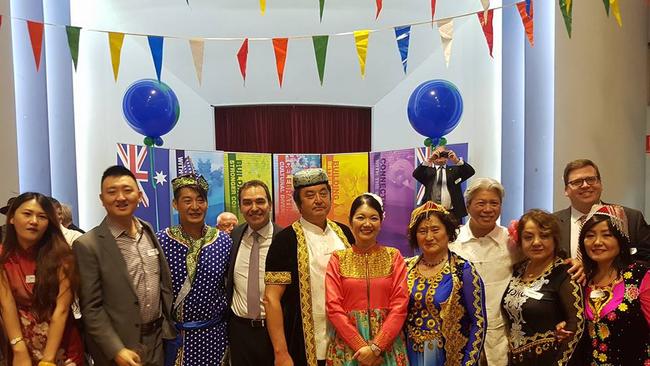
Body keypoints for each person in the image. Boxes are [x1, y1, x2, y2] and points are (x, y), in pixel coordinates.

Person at [73, 165, 176, 366]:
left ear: (138, 195)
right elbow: (91, 308)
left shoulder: (147, 230)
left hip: (156, 340)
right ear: (102, 199)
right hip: (120, 347)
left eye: (127, 190)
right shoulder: (88, 245)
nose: (120, 197)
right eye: (112, 192)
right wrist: (116, 350)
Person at [263, 168, 354, 366]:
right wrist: (281, 352)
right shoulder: (285, 241)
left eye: (323, 193)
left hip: (347, 342)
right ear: (298, 203)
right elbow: (271, 299)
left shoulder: (345, 234)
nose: (319, 200)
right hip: (303, 342)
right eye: (310, 195)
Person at [156, 158, 232, 365]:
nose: (195, 206)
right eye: (187, 200)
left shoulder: (222, 241)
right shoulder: (161, 240)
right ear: (175, 204)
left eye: (200, 200)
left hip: (215, 336)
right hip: (176, 338)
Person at [0, 192, 84, 365]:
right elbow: (6, 304)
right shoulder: (3, 256)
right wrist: (18, 348)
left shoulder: (63, 256)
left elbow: (62, 308)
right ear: (12, 218)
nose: (34, 221)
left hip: (61, 344)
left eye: (42, 216)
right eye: (27, 214)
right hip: (20, 340)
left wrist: (48, 359)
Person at [325, 193, 409, 365]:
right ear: (350, 221)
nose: (367, 224)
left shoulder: (394, 256)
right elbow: (333, 307)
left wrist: (376, 348)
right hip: (348, 348)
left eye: (374, 218)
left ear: (380, 223)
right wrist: (361, 348)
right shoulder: (338, 259)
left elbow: (400, 305)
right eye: (360, 217)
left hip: (387, 347)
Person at [448, 178, 523, 366]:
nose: (488, 209)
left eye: (494, 203)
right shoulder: (452, 242)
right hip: (460, 336)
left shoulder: (513, 242)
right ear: (467, 206)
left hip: (502, 339)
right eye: (481, 203)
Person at [404, 201, 486, 366]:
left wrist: (468, 363)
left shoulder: (464, 271)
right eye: (422, 231)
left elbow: (479, 323)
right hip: (410, 353)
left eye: (435, 230)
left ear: (448, 232)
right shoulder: (405, 268)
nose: (429, 237)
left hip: (449, 356)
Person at [501, 209, 584, 365]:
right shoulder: (517, 270)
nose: (536, 242)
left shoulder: (565, 274)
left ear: (555, 239)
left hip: (551, 359)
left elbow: (576, 325)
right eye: (528, 237)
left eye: (544, 236)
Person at [570, 204, 650, 365]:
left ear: (621, 239)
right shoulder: (583, 280)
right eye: (590, 235)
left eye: (607, 235)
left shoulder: (640, 276)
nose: (597, 242)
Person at [227, 180, 282, 365]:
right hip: (239, 332)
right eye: (247, 202)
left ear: (270, 205)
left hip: (274, 333)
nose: (254, 208)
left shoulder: (285, 240)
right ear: (241, 208)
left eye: (260, 201)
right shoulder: (233, 237)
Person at [554, 159, 650, 260]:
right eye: (577, 182)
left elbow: (647, 259)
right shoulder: (553, 223)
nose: (585, 185)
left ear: (600, 184)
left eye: (591, 179)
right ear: (566, 190)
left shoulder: (630, 218)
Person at [412, 145, 475, 220]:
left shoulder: (455, 171)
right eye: (438, 154)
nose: (440, 156)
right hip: (432, 212)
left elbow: (470, 172)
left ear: (447, 155)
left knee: (455, 232)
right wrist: (429, 160)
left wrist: (456, 160)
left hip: (452, 213)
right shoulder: (428, 171)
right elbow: (416, 174)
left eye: (443, 154)